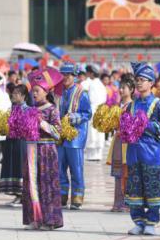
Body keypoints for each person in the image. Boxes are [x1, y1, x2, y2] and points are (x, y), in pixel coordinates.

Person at [125, 63, 160, 235]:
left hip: (151, 154)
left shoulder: (158, 104)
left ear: (151, 83)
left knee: (152, 188)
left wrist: (147, 125)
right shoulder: (131, 104)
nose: (139, 83)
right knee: (135, 188)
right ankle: (138, 221)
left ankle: (151, 222)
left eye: (143, 80)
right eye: (137, 80)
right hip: (134, 153)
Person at [23, 68, 63, 230]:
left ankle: (49, 220)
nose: (34, 94)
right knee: (32, 184)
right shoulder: (30, 109)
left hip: (47, 150)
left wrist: (42, 123)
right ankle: (35, 218)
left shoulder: (52, 109)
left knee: (47, 184)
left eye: (37, 91)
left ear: (46, 92)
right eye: (33, 91)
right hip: (32, 149)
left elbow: (58, 133)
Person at [57, 63, 92, 210]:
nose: (65, 77)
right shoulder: (59, 93)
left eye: (68, 75)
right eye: (63, 74)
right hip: (60, 136)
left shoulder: (81, 93)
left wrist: (73, 118)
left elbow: (87, 113)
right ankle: (62, 196)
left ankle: (77, 197)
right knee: (59, 167)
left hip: (75, 137)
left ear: (74, 76)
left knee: (76, 168)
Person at [106, 74, 134, 212]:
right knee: (118, 172)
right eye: (120, 87)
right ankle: (117, 202)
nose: (121, 90)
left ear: (132, 90)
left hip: (127, 143)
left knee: (126, 172)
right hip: (118, 141)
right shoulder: (118, 105)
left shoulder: (133, 106)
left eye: (124, 88)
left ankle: (126, 202)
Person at [0, 84, 29, 206]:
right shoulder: (13, 108)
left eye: (16, 93)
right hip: (11, 141)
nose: (13, 95)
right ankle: (17, 194)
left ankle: (23, 196)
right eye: (13, 93)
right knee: (13, 166)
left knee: (20, 167)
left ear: (23, 96)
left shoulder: (28, 110)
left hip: (21, 142)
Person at [85, 64, 107, 161]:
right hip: (101, 109)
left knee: (93, 131)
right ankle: (98, 154)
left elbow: (90, 98)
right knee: (98, 132)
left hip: (93, 108)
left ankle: (92, 154)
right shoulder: (101, 84)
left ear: (91, 73)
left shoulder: (92, 84)